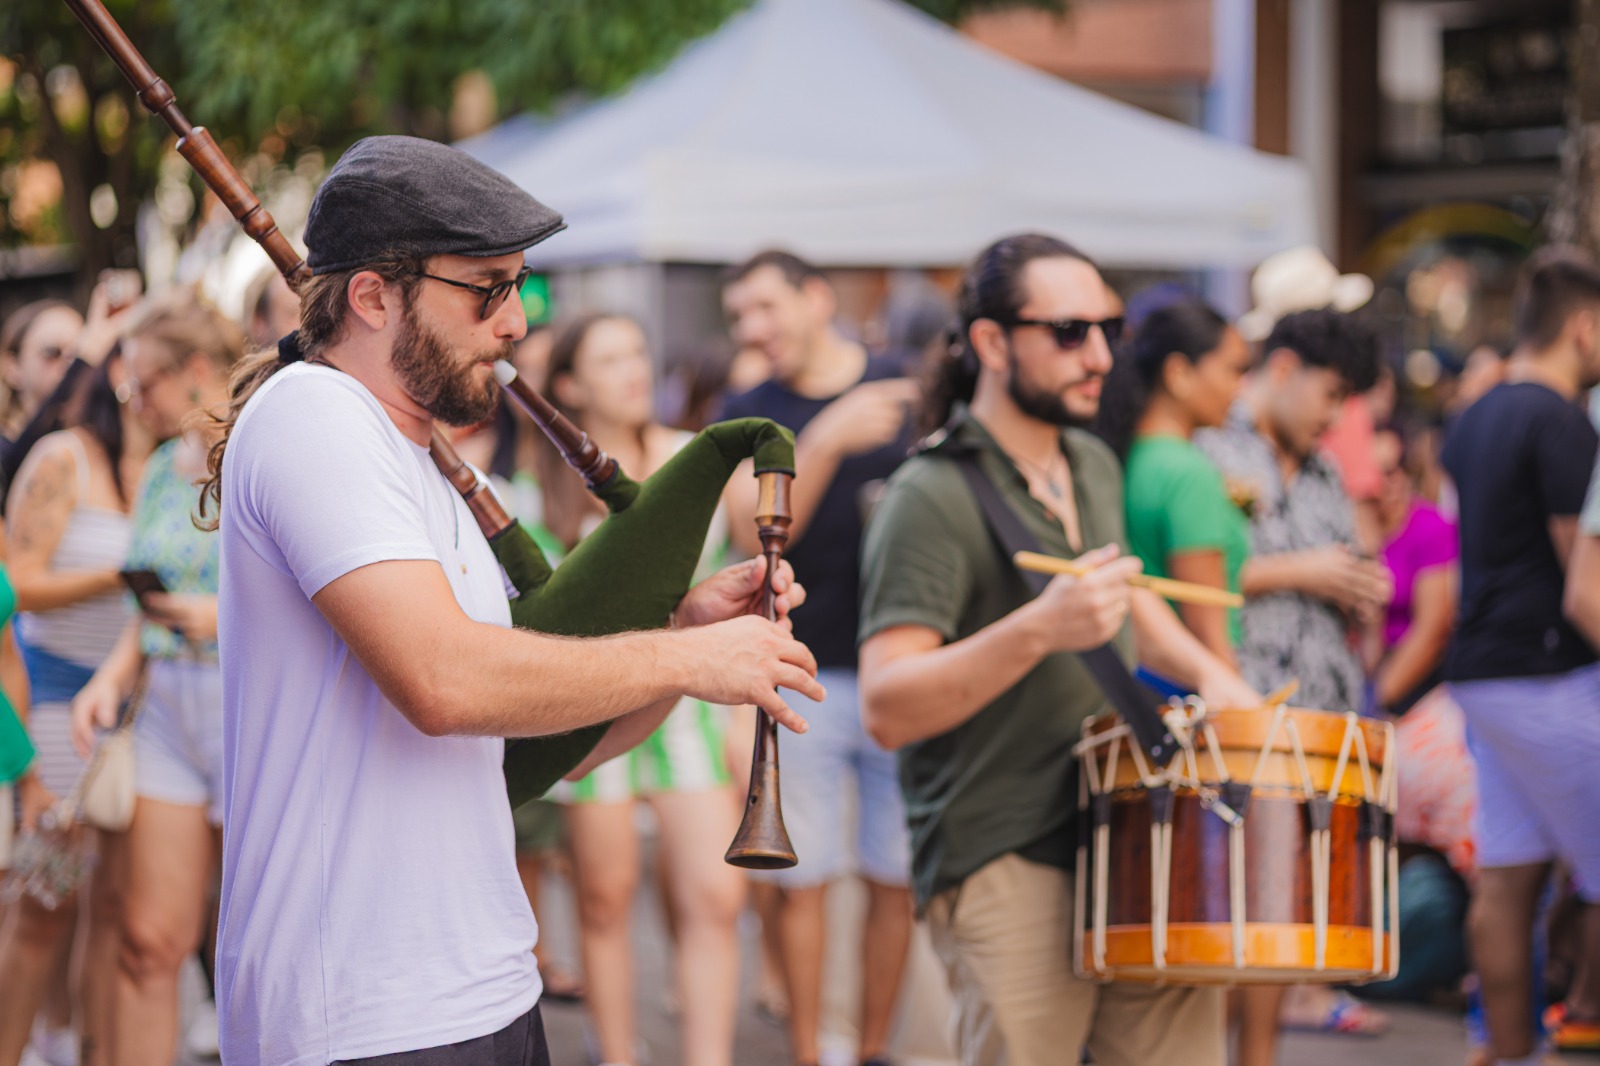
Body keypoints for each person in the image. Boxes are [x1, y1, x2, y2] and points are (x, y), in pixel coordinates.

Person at [206, 135, 820, 1066]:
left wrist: (685, 637)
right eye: (487, 288)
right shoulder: (312, 416)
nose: (517, 324)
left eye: (522, 287)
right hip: (358, 1012)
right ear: (373, 296)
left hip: (482, 986)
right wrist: (690, 659)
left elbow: (545, 747)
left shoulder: (414, 466)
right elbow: (444, 681)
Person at [856, 233, 1258, 1066]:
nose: (1101, 355)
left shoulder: (1092, 463)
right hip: (1002, 847)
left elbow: (1127, 601)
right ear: (994, 342)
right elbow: (887, 705)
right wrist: (1040, 628)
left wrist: (1215, 675)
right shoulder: (927, 496)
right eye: (1071, 332)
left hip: (1133, 827)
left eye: (1107, 329)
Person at [720, 250, 919, 1066]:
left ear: (818, 299)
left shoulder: (903, 385)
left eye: (765, 308)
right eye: (739, 317)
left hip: (900, 675)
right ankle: (808, 1052)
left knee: (895, 877)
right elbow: (746, 537)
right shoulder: (753, 409)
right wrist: (827, 439)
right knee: (800, 882)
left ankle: (870, 1050)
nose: (752, 329)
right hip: (802, 673)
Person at [532, 312, 748, 1066]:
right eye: (610, 357)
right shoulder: (542, 489)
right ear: (568, 385)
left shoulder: (694, 460)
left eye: (638, 351)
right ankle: (616, 1054)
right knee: (604, 897)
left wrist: (742, 719)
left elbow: (739, 580)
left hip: (691, 710)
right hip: (598, 707)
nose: (633, 369)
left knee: (716, 897)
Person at [61, 291, 240, 1066]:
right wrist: (110, 676)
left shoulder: (264, 450)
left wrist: (219, 616)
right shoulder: (168, 467)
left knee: (256, 947)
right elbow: (150, 599)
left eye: (145, 385)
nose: (134, 404)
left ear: (198, 370)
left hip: (248, 700)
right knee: (146, 939)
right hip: (168, 700)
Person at [1445, 246, 1600, 1064]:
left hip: (1483, 672)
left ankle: (1509, 1054)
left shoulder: (1477, 413)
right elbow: (1588, 580)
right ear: (1584, 327)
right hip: (1549, 675)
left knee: (1508, 878)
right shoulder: (1561, 419)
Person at [0, 350, 153, 1066]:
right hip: (58, 713)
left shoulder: (158, 466)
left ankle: (77, 1047)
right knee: (43, 905)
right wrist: (115, 577)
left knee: (111, 912)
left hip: (134, 721)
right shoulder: (64, 458)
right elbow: (18, 589)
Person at [1194, 308, 1389, 718]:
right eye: (1331, 395)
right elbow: (1187, 577)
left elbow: (1346, 576)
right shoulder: (1209, 449)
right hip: (1241, 710)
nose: (1335, 418)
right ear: (1283, 369)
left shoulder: (1327, 473)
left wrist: (1360, 589)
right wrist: (1303, 572)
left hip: (1330, 711)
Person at [1360, 424, 1474, 1005]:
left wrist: (1374, 702)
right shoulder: (1355, 523)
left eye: (1390, 475)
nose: (1381, 487)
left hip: (1413, 697)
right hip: (1369, 689)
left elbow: (1431, 629)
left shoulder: (1431, 530)